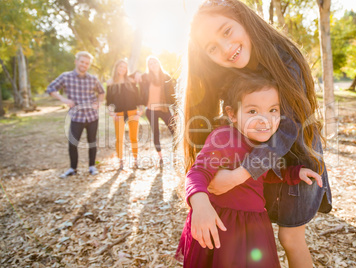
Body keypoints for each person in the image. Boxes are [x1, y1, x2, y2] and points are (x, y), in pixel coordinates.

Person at [180, 0, 332, 267]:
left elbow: (288, 126)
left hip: (296, 155)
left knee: (290, 237)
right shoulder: (231, 73)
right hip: (259, 164)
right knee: (253, 227)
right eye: (212, 48)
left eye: (227, 31)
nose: (226, 49)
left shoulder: (285, 58)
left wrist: (240, 174)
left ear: (242, 18)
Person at [176, 74, 323, 267]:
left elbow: (267, 174)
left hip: (255, 224)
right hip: (224, 224)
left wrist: (294, 173)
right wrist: (201, 205)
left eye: (273, 110)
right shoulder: (223, 138)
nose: (264, 120)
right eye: (253, 111)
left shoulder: (265, 144)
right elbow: (197, 173)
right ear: (232, 114)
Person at [47, 51, 105, 178]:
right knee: (72, 143)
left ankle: (92, 166)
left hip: (92, 116)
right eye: (82, 62)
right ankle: (73, 168)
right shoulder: (66, 77)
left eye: (87, 63)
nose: (84, 65)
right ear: (76, 61)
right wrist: (64, 100)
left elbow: (102, 91)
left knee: (92, 142)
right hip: (76, 117)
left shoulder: (92, 79)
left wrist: (99, 103)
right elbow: (51, 89)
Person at [106, 59, 143, 169]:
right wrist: (111, 113)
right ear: (116, 68)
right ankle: (121, 161)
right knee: (119, 138)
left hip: (132, 111)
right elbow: (109, 101)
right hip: (119, 113)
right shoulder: (110, 82)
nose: (122, 69)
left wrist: (140, 111)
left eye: (124, 67)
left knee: (133, 137)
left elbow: (138, 97)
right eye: (120, 66)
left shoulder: (131, 81)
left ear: (127, 69)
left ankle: (136, 160)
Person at [139, 56, 175, 166]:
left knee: (175, 130)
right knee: (156, 133)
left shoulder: (166, 77)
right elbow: (141, 94)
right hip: (151, 110)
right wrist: (141, 106)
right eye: (150, 63)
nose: (153, 64)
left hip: (164, 109)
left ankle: (176, 153)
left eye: (155, 62)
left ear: (159, 63)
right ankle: (160, 157)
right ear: (148, 66)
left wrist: (176, 111)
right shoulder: (145, 78)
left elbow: (172, 95)